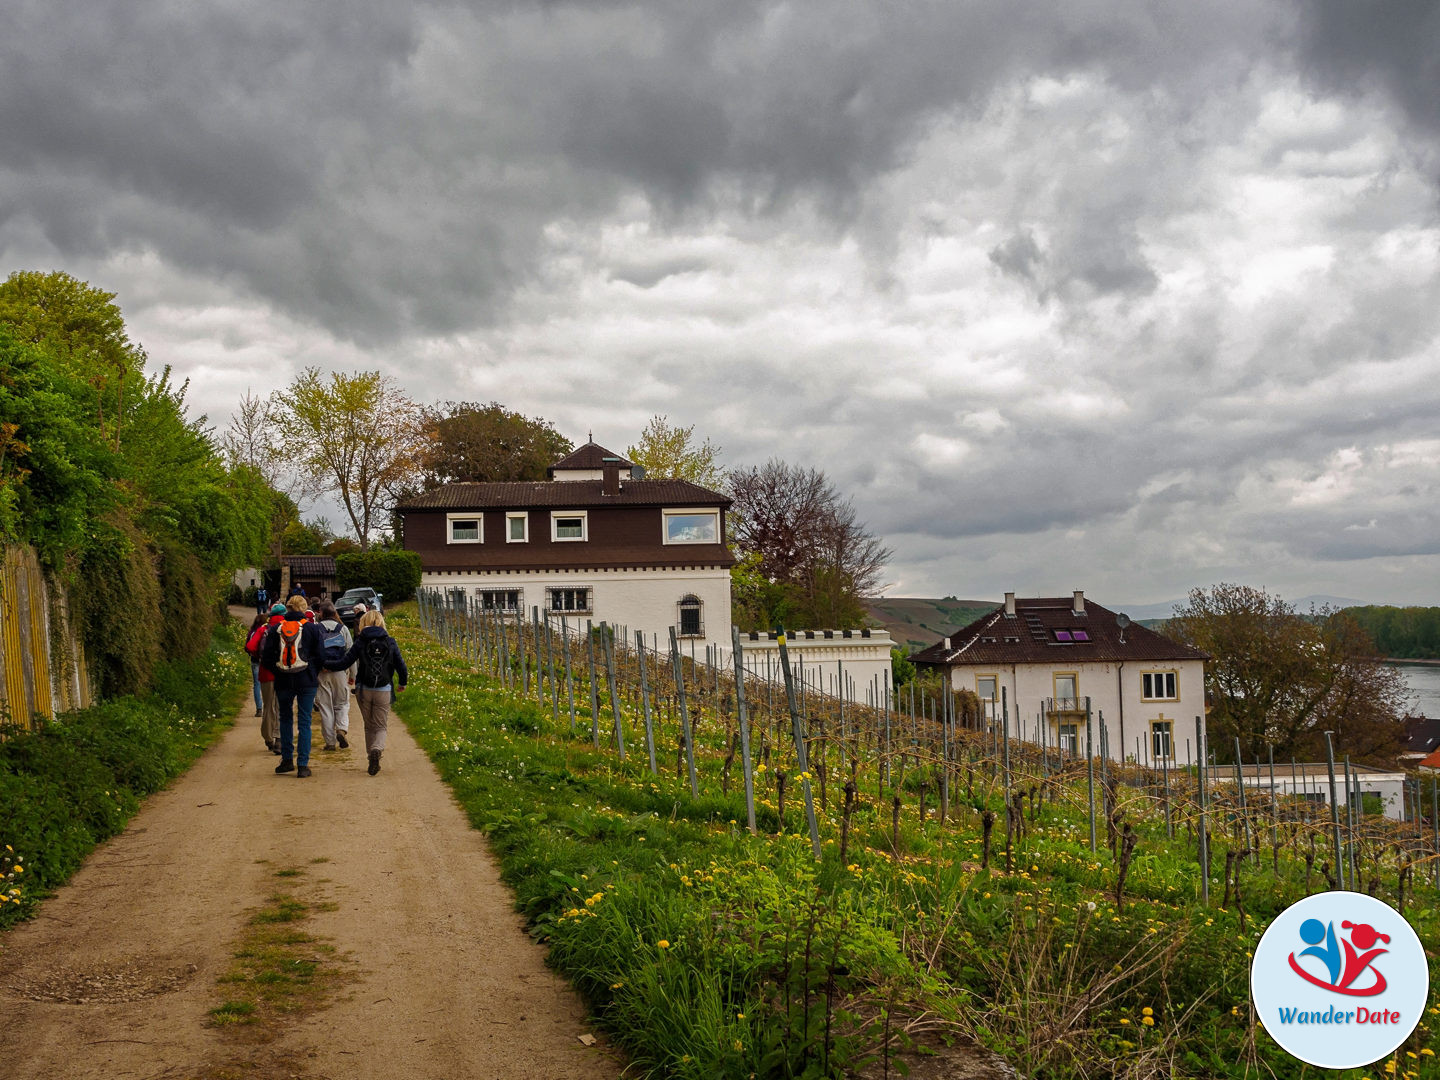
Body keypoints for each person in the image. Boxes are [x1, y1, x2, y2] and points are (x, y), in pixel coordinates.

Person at [326, 609, 407, 776]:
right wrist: (402, 683)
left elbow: (345, 662)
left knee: (369, 726)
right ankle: (377, 749)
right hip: (383, 688)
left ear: (363, 623)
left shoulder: (361, 641)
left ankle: (371, 756)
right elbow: (401, 666)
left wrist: (326, 664)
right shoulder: (390, 642)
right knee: (381, 726)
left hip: (364, 688)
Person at [260, 595, 326, 778]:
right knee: (305, 721)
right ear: (304, 609)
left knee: (285, 719)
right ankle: (303, 765)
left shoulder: (276, 629)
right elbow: (321, 655)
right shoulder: (312, 628)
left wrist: (278, 670)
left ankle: (287, 760)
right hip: (306, 680)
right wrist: (312, 670)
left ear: (288, 609)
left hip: (283, 680)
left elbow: (265, 657)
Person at [313, 601, 353, 751]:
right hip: (340, 671)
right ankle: (341, 729)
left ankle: (330, 742)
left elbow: (311, 652)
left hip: (322, 673)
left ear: (321, 614)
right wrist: (352, 674)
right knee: (342, 704)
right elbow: (350, 652)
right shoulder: (343, 629)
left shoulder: (316, 629)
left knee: (325, 707)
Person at [251, 603, 287, 753]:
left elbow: (251, 646)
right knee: (281, 706)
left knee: (268, 706)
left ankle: (268, 737)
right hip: (283, 672)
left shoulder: (263, 629)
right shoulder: (287, 627)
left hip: (266, 672)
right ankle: (279, 738)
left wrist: (260, 657)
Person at [245, 612, 267, 719]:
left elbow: (247, 647)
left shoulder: (252, 632)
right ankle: (268, 706)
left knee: (257, 684)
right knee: (268, 683)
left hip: (255, 660)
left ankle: (259, 708)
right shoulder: (267, 631)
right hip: (266, 661)